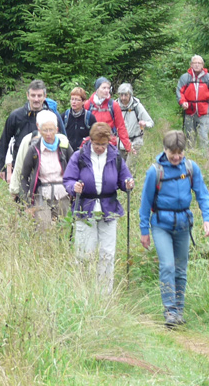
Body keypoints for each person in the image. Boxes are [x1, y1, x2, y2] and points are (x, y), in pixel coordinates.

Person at [138, 130, 209, 327]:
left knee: (181, 269)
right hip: (161, 225)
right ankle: (170, 311)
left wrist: (207, 219)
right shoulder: (155, 171)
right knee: (167, 266)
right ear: (165, 150)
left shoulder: (190, 167)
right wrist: (144, 230)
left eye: (180, 152)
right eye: (173, 152)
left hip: (183, 224)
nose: (177, 156)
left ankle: (179, 310)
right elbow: (145, 203)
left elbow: (202, 194)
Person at [63, 122, 134, 293]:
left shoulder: (115, 157)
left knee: (107, 253)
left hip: (108, 209)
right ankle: (83, 291)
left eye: (103, 144)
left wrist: (128, 184)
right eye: (97, 144)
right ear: (91, 140)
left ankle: (104, 294)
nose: (100, 148)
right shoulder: (79, 156)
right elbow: (68, 179)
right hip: (84, 208)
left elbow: (125, 178)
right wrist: (74, 187)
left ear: (109, 141)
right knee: (84, 254)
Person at [0, 80, 65, 182]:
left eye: (39, 95)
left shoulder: (52, 117)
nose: (36, 99)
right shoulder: (16, 116)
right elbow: (4, 142)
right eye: (33, 95)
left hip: (46, 171)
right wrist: (1, 168)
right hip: (20, 167)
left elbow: (63, 142)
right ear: (27, 96)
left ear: (44, 96)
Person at [18, 111, 74, 230]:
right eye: (45, 130)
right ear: (40, 130)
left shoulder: (64, 146)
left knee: (64, 228)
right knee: (43, 228)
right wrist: (26, 202)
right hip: (42, 194)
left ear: (57, 129)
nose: (48, 134)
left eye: (51, 130)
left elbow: (74, 166)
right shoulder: (34, 149)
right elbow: (24, 176)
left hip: (62, 193)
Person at [176, 55, 209, 152]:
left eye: (199, 63)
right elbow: (179, 92)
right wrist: (183, 102)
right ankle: (190, 156)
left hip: (204, 112)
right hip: (189, 111)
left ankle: (204, 157)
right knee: (189, 136)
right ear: (191, 65)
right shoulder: (185, 77)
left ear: (202, 65)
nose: (196, 65)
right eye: (194, 63)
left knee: (204, 136)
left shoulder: (208, 78)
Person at [83, 77, 133, 155]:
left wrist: (128, 147)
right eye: (104, 88)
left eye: (108, 88)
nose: (107, 90)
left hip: (109, 144)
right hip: (92, 144)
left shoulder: (113, 105)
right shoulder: (88, 105)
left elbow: (121, 127)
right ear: (97, 89)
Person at [117, 83, 154, 162]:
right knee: (119, 170)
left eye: (125, 95)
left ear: (130, 94)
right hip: (120, 143)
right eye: (121, 95)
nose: (123, 98)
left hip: (135, 142)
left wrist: (145, 123)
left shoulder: (137, 106)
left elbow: (150, 123)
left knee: (130, 169)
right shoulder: (115, 106)